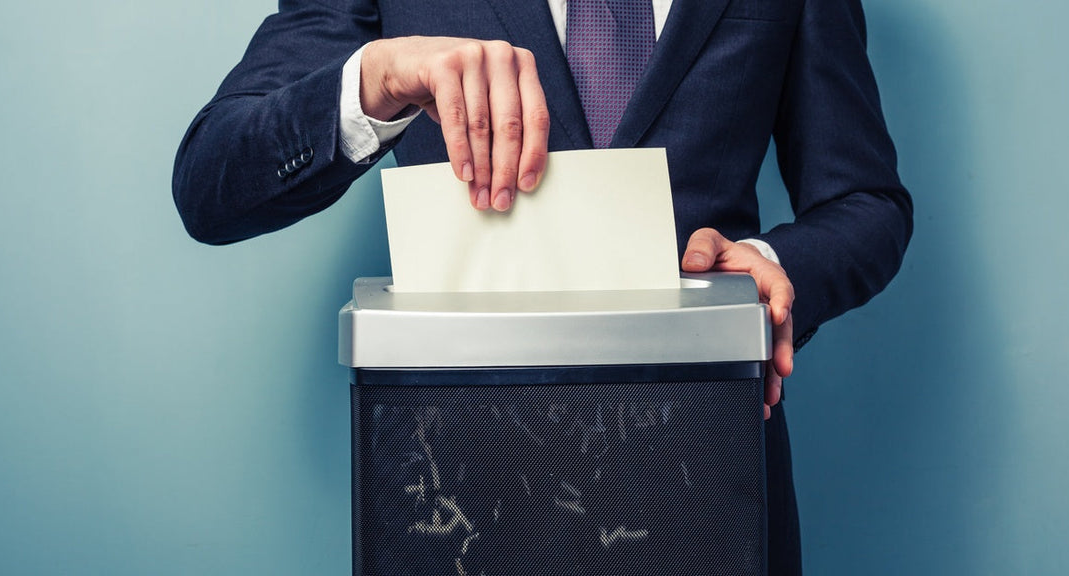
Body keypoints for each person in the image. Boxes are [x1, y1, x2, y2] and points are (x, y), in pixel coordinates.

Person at [173, 1, 913, 573]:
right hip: (462, 497)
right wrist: (376, 79)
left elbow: (866, 202)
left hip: (707, 483)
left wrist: (770, 263)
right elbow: (211, 180)